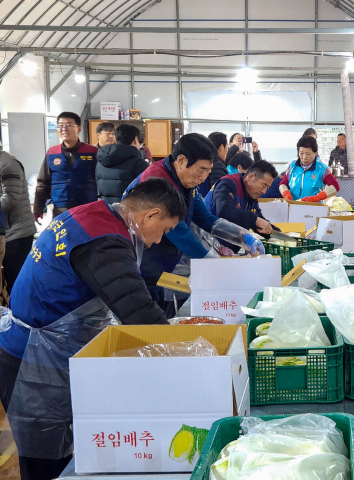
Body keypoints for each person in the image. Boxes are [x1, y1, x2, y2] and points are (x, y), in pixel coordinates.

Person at [0, 178, 185, 480]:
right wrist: (186, 357)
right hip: (33, 362)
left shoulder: (92, 214)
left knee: (59, 453)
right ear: (151, 215)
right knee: (46, 461)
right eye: (164, 230)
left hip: (39, 350)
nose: (157, 241)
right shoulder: (105, 240)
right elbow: (138, 312)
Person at [124, 133, 264, 310]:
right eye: (201, 170)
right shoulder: (157, 181)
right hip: (145, 260)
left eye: (208, 171)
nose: (203, 177)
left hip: (167, 259)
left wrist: (243, 237)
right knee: (148, 311)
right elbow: (180, 233)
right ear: (181, 161)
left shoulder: (186, 182)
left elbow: (206, 219)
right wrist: (216, 263)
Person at [34, 112, 98, 221]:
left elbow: (100, 179)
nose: (64, 128)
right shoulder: (52, 153)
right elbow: (43, 183)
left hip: (86, 208)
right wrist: (38, 208)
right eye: (61, 125)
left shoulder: (92, 152)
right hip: (60, 209)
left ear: (79, 128)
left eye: (69, 125)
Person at [205, 160, 280, 252]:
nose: (264, 192)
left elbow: (257, 219)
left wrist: (276, 232)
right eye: (263, 186)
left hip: (229, 250)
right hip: (209, 248)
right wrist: (254, 219)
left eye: (267, 188)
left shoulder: (251, 194)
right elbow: (224, 211)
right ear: (251, 176)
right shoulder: (227, 184)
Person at [0, 143, 37, 293]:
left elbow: (10, 199)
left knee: (16, 281)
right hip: (7, 232)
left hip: (17, 233)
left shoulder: (8, 164)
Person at [96, 123, 149, 204]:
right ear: (135, 139)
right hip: (129, 209)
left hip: (106, 208)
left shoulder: (101, 161)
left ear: (116, 139)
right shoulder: (139, 164)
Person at [279, 135, 340, 202]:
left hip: (314, 206)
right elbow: (283, 183)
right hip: (294, 205)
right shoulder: (292, 166)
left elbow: (335, 186)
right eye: (301, 153)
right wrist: (285, 193)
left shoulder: (322, 169)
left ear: (315, 153)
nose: (304, 157)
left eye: (308, 154)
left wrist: (318, 197)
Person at [197, 131, 229, 197]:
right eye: (227, 148)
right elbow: (219, 192)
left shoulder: (205, 162)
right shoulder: (218, 165)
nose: (227, 151)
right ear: (221, 148)